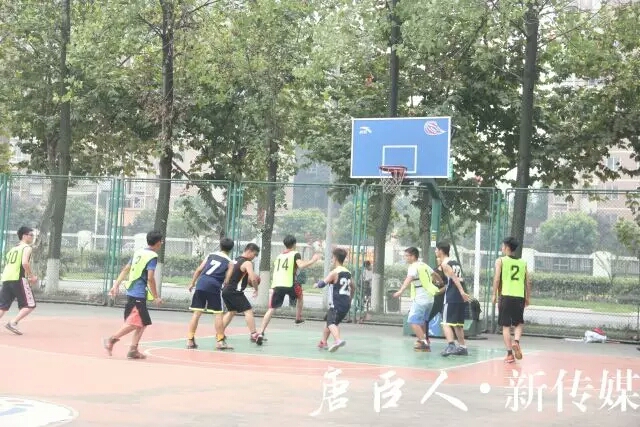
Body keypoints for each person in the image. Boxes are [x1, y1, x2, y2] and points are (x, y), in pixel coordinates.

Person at [103, 230, 164, 360]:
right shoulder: (152, 256)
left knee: (143, 322)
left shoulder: (138, 252)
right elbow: (150, 278)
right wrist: (156, 297)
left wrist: (116, 285)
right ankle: (111, 339)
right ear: (158, 243)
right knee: (135, 323)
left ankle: (133, 350)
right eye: (161, 241)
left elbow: (126, 269)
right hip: (138, 294)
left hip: (132, 292)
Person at [255, 235, 320, 342]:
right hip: (290, 283)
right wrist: (313, 260)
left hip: (277, 284)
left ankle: (261, 332)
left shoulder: (279, 256)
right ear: (294, 244)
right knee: (300, 296)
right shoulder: (295, 254)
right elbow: (301, 265)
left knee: (271, 309)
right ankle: (298, 318)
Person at [186, 237, 234, 350]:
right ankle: (220, 341)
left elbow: (199, 269)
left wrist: (192, 283)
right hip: (214, 286)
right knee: (218, 314)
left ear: (220, 246)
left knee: (196, 313)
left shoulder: (211, 255)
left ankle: (190, 340)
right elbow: (227, 280)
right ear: (231, 249)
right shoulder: (230, 262)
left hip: (201, 283)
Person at [393, 247, 443, 351]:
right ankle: (424, 340)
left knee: (413, 321)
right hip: (430, 298)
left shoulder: (413, 267)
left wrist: (401, 291)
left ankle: (424, 343)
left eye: (406, 256)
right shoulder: (423, 265)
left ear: (413, 256)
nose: (405, 258)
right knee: (423, 321)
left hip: (421, 299)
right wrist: (440, 282)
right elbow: (435, 274)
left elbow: (409, 279)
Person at [492, 236, 531, 364]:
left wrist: (494, 294)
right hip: (519, 296)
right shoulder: (523, 263)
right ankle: (517, 342)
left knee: (506, 326)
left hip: (506, 295)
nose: (502, 248)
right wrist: (528, 297)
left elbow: (497, 279)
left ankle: (509, 354)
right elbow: (527, 282)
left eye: (503, 246)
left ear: (507, 247)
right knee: (518, 323)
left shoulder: (500, 261)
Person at [221, 243, 262, 345]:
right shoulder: (247, 263)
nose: (254, 257)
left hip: (226, 290)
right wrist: (256, 289)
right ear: (249, 251)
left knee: (231, 311)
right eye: (255, 254)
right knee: (248, 310)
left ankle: (219, 333)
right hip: (234, 291)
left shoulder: (234, 260)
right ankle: (254, 334)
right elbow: (253, 278)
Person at [314, 247, 354, 352]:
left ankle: (337, 340)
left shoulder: (334, 272)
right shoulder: (348, 273)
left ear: (335, 258)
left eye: (332, 257)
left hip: (337, 303)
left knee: (331, 323)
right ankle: (323, 342)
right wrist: (350, 299)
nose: (332, 259)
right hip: (345, 303)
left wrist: (316, 284)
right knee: (329, 320)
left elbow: (323, 283)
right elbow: (353, 287)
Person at [435, 241, 471, 357]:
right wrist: (463, 293)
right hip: (460, 298)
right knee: (458, 324)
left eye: (436, 249)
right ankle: (463, 347)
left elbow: (454, 278)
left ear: (441, 251)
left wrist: (461, 291)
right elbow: (457, 279)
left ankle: (451, 346)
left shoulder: (445, 264)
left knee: (445, 323)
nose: (435, 252)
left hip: (451, 296)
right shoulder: (455, 263)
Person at [0, 226, 38, 335]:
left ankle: (12, 323)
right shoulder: (26, 247)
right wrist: (31, 276)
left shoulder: (13, 249)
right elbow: (25, 263)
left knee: (3, 306)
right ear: (24, 236)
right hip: (18, 278)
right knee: (30, 304)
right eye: (31, 235)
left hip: (6, 278)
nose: (32, 237)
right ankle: (13, 323)